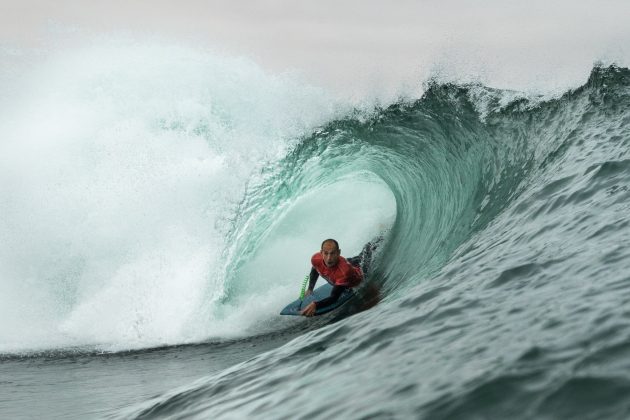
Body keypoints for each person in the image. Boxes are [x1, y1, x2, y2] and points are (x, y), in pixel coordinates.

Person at [300, 238, 365, 317]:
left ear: (338, 253)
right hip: (347, 263)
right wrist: (310, 288)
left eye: (332, 253)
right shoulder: (316, 258)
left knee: (367, 252)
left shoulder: (344, 273)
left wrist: (315, 305)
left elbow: (334, 298)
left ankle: (380, 236)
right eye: (326, 253)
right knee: (357, 257)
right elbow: (315, 269)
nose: (329, 258)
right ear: (321, 253)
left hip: (360, 268)